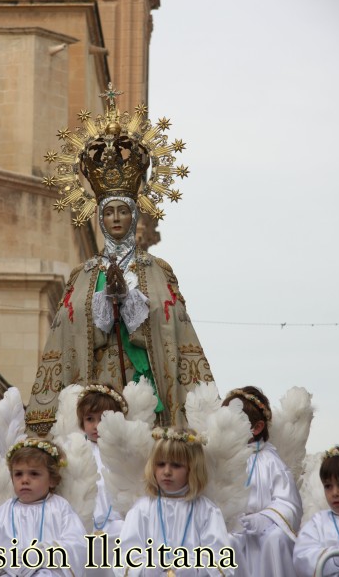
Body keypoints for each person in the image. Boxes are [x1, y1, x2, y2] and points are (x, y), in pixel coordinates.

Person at [26, 84, 214, 436]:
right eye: (108, 211)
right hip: (97, 389)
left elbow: (173, 326)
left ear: (134, 216)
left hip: (148, 389)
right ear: (98, 217)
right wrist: (102, 304)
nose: (115, 218)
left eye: (122, 211)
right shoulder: (82, 275)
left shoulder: (158, 271)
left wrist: (130, 305)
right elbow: (65, 331)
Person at [113, 427, 236, 576]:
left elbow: (220, 558)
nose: (166, 472)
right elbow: (125, 555)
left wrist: (194, 569)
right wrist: (146, 569)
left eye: (176, 465)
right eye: (161, 464)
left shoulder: (206, 510)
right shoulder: (142, 509)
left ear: (193, 468)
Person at [0, 438, 87, 576]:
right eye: (18, 474)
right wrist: (4, 559)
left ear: (52, 480)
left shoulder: (60, 508)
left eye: (34, 474)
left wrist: (42, 555)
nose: (24, 480)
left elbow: (77, 545)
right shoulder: (5, 511)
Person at [222, 386, 303, 577]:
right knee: (226, 541)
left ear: (257, 427)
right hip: (232, 528)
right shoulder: (220, 459)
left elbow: (289, 503)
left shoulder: (270, 461)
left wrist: (263, 519)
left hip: (267, 529)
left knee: (277, 539)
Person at [77, 383, 126, 576]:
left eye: (102, 419)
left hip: (117, 525)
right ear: (82, 421)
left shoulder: (124, 452)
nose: (96, 426)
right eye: (90, 419)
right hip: (85, 525)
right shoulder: (76, 450)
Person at [293, 445, 339, 577]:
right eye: (328, 486)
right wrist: (336, 558)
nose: (335, 493)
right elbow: (302, 558)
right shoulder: (318, 523)